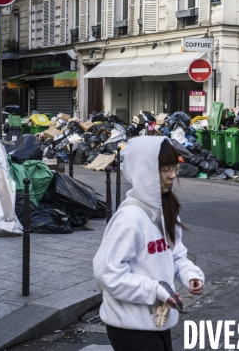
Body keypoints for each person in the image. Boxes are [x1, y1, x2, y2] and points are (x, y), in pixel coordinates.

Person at [93, 137, 205, 351]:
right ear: (146, 170)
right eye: (164, 169)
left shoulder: (166, 209)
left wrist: (191, 275)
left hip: (158, 319)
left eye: (174, 168)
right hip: (130, 326)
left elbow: (176, 254)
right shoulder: (129, 218)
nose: (172, 175)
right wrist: (157, 290)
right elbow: (107, 273)